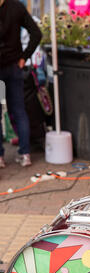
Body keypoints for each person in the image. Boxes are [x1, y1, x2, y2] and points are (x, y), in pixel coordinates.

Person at [0, 0, 42, 168]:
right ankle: (25, 154)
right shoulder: (16, 6)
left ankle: (0, 158)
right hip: (14, 66)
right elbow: (36, 33)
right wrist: (24, 57)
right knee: (19, 110)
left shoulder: (16, 6)